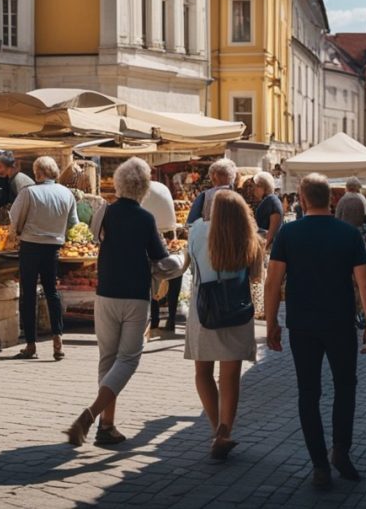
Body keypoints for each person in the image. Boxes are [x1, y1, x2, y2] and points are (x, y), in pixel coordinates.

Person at [265, 173, 366, 490]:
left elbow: (274, 282)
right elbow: (364, 281)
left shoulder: (289, 233)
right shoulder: (348, 233)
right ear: (332, 199)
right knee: (345, 386)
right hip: (340, 323)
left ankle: (319, 465)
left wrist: (272, 321)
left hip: (302, 323)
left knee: (308, 392)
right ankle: (340, 450)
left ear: (301, 199)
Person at [66, 157, 169, 447]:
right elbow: (161, 258)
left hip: (105, 291)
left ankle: (106, 425)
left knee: (107, 358)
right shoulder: (146, 219)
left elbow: (98, 240)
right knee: (128, 359)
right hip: (134, 295)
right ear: (145, 187)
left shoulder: (105, 212)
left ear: (120, 184)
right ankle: (91, 416)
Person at [185, 191, 262, 460]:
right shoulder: (251, 237)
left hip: (204, 308)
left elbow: (190, 265)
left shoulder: (197, 231)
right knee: (230, 376)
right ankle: (225, 431)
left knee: (202, 371)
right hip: (237, 309)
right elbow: (255, 277)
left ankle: (216, 427)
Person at [8, 156, 78, 360]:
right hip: (53, 247)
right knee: (52, 292)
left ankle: (31, 345)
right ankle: (58, 340)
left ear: (38, 173)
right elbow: (73, 223)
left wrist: (19, 232)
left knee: (28, 294)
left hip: (30, 245)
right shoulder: (67, 193)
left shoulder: (29, 192)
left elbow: (14, 219)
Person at [142, 179, 181, 335]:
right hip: (166, 234)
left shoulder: (145, 190)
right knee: (174, 277)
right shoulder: (161, 188)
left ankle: (155, 318)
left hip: (149, 238)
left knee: (151, 281)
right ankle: (170, 317)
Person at [186, 158, 237, 225]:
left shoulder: (204, 196)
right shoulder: (240, 195)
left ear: (214, 177)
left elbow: (191, 223)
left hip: (210, 234)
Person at [252, 171, 283, 249]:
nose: (254, 189)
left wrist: (264, 247)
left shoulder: (272, 200)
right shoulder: (267, 200)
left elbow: (273, 230)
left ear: (266, 187)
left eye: (258, 186)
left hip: (268, 248)